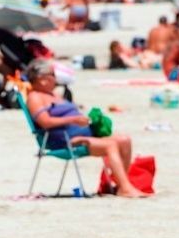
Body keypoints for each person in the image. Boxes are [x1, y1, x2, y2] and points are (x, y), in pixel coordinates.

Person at [25, 59, 147, 198]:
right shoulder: (34, 97)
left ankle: (120, 186)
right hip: (65, 141)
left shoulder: (53, 95)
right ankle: (126, 188)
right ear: (42, 79)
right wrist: (74, 119)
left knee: (125, 140)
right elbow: (45, 122)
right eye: (52, 75)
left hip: (82, 135)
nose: (55, 79)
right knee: (111, 145)